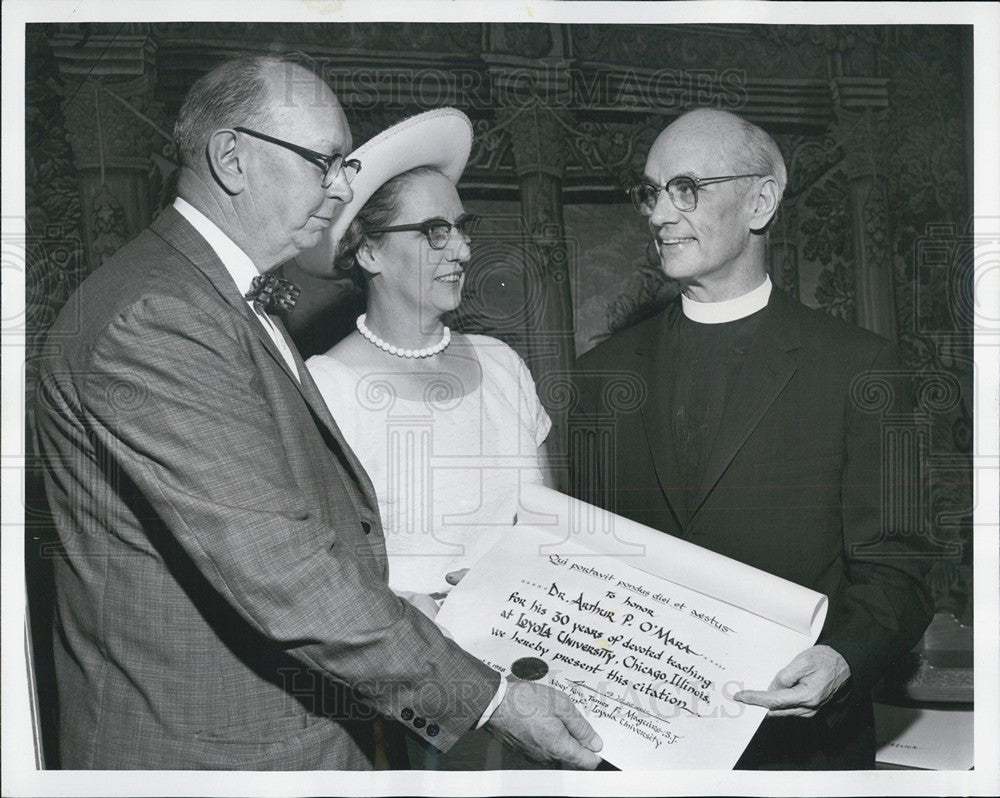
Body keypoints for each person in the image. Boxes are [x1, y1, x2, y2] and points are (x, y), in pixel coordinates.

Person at [32, 53, 602, 771]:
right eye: (325, 162)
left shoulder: (213, 297)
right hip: (221, 758)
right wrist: (492, 701)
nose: (340, 190)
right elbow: (284, 573)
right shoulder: (157, 315)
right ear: (232, 159)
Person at [570, 108, 933, 769]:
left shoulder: (861, 368)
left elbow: (899, 575)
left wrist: (842, 659)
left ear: (761, 201)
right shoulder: (602, 375)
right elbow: (585, 566)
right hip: (635, 751)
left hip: (796, 748)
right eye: (651, 192)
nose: (658, 214)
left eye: (687, 188)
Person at [302, 109, 556, 769]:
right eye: (434, 231)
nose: (463, 250)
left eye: (462, 229)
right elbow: (322, 580)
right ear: (369, 250)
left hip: (531, 681)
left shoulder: (502, 365)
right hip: (405, 709)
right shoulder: (322, 389)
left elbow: (551, 537)